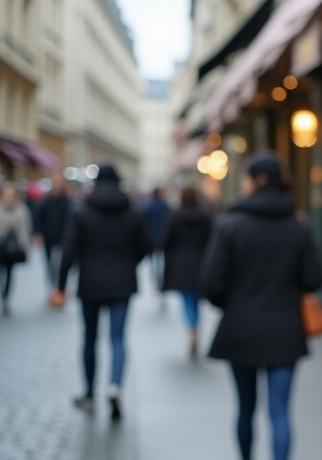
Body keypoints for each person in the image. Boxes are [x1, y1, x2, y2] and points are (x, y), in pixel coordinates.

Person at [200, 153, 322, 460]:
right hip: (284, 330)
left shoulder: (229, 225)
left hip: (240, 331)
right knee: (280, 412)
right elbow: (314, 279)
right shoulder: (297, 225)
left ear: (257, 180)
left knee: (245, 409)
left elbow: (210, 284)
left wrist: (234, 304)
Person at [57, 164, 152, 419]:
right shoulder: (133, 213)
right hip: (122, 282)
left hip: (90, 282)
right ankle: (114, 386)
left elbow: (68, 251)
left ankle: (89, 393)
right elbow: (146, 246)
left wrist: (61, 286)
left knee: (90, 338)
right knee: (118, 338)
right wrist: (128, 263)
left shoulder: (82, 212)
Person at [161, 185, 213, 360]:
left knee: (187, 301)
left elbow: (166, 242)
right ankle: (195, 329)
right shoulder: (205, 217)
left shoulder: (174, 217)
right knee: (196, 301)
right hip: (201, 264)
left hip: (181, 266)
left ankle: (192, 330)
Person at [34, 174, 73, 288]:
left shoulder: (67, 202)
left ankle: (58, 286)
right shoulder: (45, 202)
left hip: (62, 239)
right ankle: (52, 285)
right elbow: (39, 219)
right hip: (48, 238)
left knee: (60, 264)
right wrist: (38, 233)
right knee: (49, 264)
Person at [0, 182, 33, 316]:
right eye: (6, 194)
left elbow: (25, 229)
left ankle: (5, 297)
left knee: (9, 273)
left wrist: (24, 246)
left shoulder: (21, 210)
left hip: (12, 249)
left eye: (11, 195)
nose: (9, 197)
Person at [141, 186, 170, 292]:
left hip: (152, 235)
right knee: (160, 258)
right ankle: (158, 277)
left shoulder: (148, 206)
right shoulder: (164, 205)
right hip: (161, 235)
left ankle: (154, 276)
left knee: (153, 258)